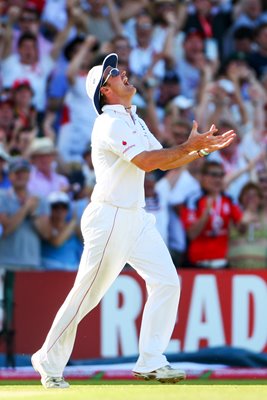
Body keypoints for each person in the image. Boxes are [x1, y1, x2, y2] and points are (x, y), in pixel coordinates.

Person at [31, 52, 236, 389]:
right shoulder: (109, 122)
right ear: (105, 91)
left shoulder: (134, 120)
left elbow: (164, 162)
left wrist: (197, 150)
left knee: (167, 281)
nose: (122, 71)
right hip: (109, 216)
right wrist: (188, 145)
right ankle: (48, 358)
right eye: (112, 72)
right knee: (87, 295)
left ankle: (151, 361)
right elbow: (145, 162)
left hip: (135, 217)